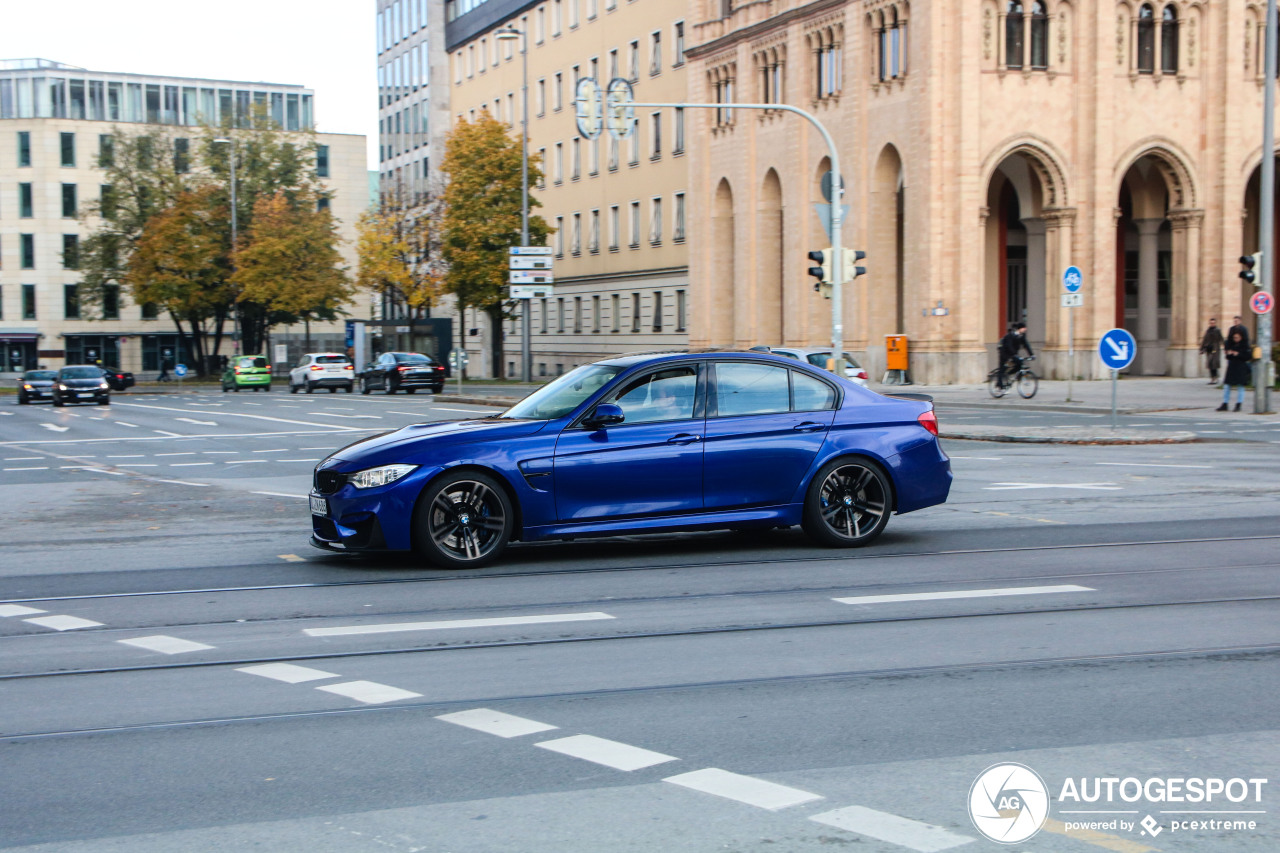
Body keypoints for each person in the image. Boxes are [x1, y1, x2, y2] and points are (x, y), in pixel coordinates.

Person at [1219, 330, 1251, 412]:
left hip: (1241, 368)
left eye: (1237, 337)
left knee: (1240, 386)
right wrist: (1229, 353)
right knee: (1227, 385)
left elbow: (1247, 356)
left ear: (1241, 337)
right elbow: (1228, 357)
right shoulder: (1232, 344)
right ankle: (1225, 403)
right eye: (1234, 337)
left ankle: (1238, 404)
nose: (1235, 339)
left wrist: (1238, 354)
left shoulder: (1245, 346)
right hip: (1232, 367)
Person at [997, 322, 1033, 388]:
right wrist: (1014, 355)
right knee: (1003, 368)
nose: (1025, 329)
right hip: (1004, 352)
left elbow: (1026, 345)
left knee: (1019, 363)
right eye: (1023, 328)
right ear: (1019, 329)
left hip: (1013, 353)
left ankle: (1009, 374)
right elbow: (1009, 346)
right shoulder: (1010, 335)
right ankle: (999, 384)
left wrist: (1032, 355)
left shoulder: (1022, 335)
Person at [1199, 318, 1224, 384]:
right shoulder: (1208, 331)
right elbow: (1204, 340)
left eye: (1213, 323)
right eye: (1211, 323)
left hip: (1215, 349)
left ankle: (1215, 378)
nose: (1212, 324)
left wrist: (1226, 347)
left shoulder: (1217, 330)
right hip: (1209, 349)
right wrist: (1202, 349)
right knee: (1210, 364)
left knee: (1214, 364)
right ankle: (1212, 378)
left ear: (1215, 323)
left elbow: (1221, 339)